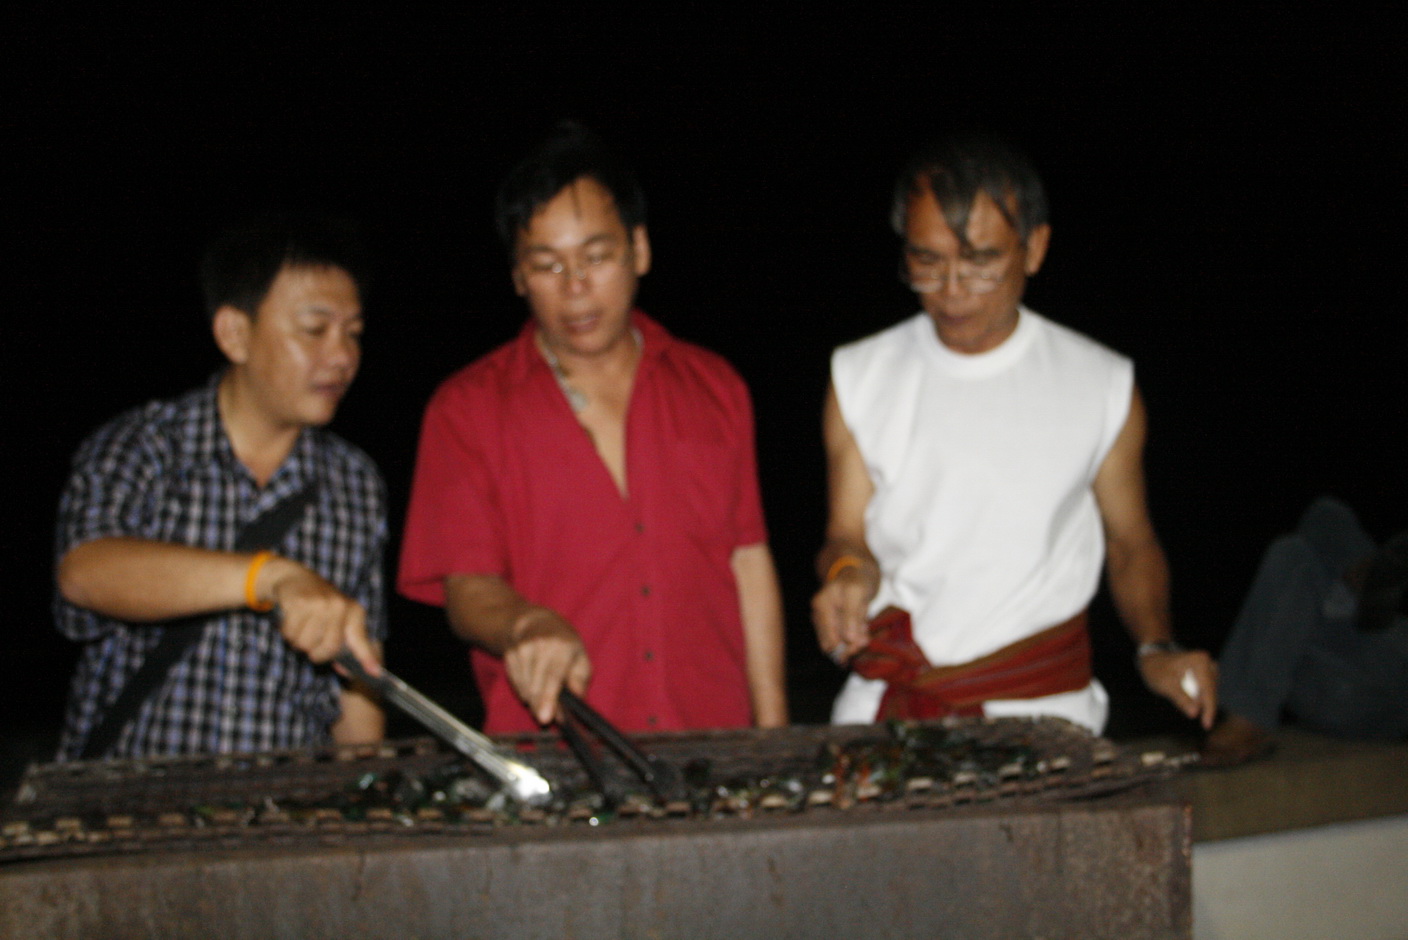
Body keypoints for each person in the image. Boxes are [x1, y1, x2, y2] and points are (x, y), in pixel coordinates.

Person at [811, 132, 1216, 734]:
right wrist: (847, 574)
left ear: (1035, 248)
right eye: (927, 261)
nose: (952, 290)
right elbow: (846, 535)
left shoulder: (1100, 383)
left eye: (980, 262)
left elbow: (1131, 543)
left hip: (1045, 712)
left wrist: (1156, 646)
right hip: (891, 704)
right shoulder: (860, 375)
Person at [398, 123, 787, 734]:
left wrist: (775, 735)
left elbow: (748, 563)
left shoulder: (716, 388)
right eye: (547, 265)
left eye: (597, 256)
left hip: (713, 742)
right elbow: (467, 588)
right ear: (518, 276)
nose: (575, 286)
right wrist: (525, 623)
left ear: (640, 250)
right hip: (555, 752)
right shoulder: (465, 410)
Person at [53, 216, 387, 760]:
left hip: (283, 799)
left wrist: (366, 778)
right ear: (235, 333)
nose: (343, 356)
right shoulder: (144, 446)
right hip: (132, 794)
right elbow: (85, 571)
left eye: (353, 333)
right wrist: (269, 577)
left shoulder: (355, 483)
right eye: (315, 329)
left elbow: (357, 676)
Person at [1201, 496, 1408, 767]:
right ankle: (1362, 576)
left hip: (1385, 695)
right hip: (1342, 670)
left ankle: (1248, 714)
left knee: (1296, 556)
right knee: (1321, 518)